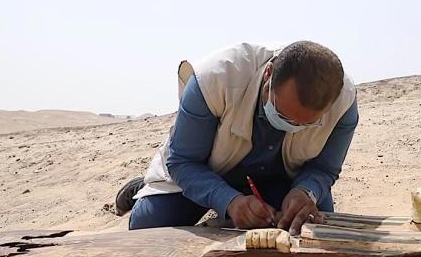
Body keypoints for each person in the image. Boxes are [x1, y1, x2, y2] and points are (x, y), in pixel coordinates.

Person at [115, 41, 358, 235]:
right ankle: (142, 187)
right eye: (283, 115)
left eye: (306, 124)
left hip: (280, 179)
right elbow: (183, 162)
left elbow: (325, 168)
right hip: (205, 172)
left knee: (312, 232)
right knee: (148, 230)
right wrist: (229, 201)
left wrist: (306, 192)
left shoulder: (343, 104)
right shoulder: (215, 79)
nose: (291, 127)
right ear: (268, 75)